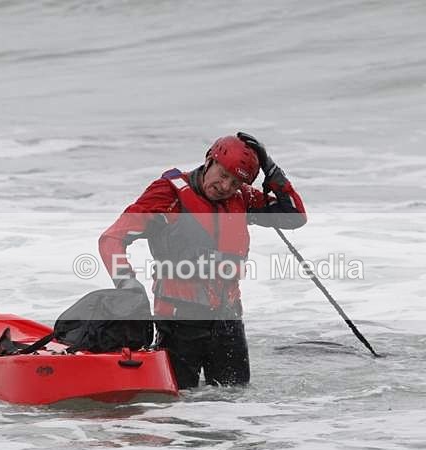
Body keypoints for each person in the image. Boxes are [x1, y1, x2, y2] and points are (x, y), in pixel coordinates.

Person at [98, 132, 307, 388]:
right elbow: (111, 239)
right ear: (209, 160)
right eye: (223, 176)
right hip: (178, 326)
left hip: (228, 324)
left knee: (234, 406)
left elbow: (294, 215)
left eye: (235, 183)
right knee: (179, 412)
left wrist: (270, 167)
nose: (226, 187)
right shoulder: (168, 194)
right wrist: (127, 282)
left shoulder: (241, 198)